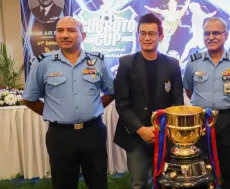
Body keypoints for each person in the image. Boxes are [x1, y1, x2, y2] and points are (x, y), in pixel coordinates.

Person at [22, 16, 114, 189]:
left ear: (83, 35)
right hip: (60, 136)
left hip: (93, 132)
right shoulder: (43, 63)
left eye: (71, 30)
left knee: (98, 182)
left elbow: (111, 91)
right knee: (63, 184)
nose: (64, 35)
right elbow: (29, 99)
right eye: (60, 30)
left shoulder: (98, 61)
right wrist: (54, 112)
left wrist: (95, 107)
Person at [113, 13, 184, 189]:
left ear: (161, 36)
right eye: (142, 33)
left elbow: (177, 103)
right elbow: (122, 103)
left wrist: (162, 129)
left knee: (165, 182)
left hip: (164, 135)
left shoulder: (172, 65)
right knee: (138, 183)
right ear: (138, 35)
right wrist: (141, 129)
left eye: (152, 33)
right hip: (135, 135)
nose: (147, 38)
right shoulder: (126, 64)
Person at [183, 17, 230, 189]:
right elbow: (189, 90)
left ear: (226, 35)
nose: (211, 37)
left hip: (228, 119)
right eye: (207, 33)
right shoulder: (193, 61)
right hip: (201, 120)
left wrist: (228, 107)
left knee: (229, 163)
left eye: (216, 33)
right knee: (200, 162)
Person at [180, 2, 217, 70]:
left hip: (199, 36)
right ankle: (180, 62)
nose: (191, 9)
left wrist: (213, 13)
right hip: (195, 36)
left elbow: (207, 15)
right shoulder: (194, 14)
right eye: (190, 8)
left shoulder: (200, 13)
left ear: (196, 7)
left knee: (202, 49)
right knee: (188, 47)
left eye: (192, 8)